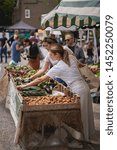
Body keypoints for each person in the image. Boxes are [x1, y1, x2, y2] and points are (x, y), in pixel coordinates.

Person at [17, 43, 95, 142]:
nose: (50, 57)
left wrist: (24, 86)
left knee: (81, 116)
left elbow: (40, 79)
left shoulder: (59, 66)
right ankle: (86, 136)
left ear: (58, 54)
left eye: (51, 55)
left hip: (78, 90)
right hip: (85, 88)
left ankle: (82, 139)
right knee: (86, 112)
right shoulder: (71, 58)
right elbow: (66, 48)